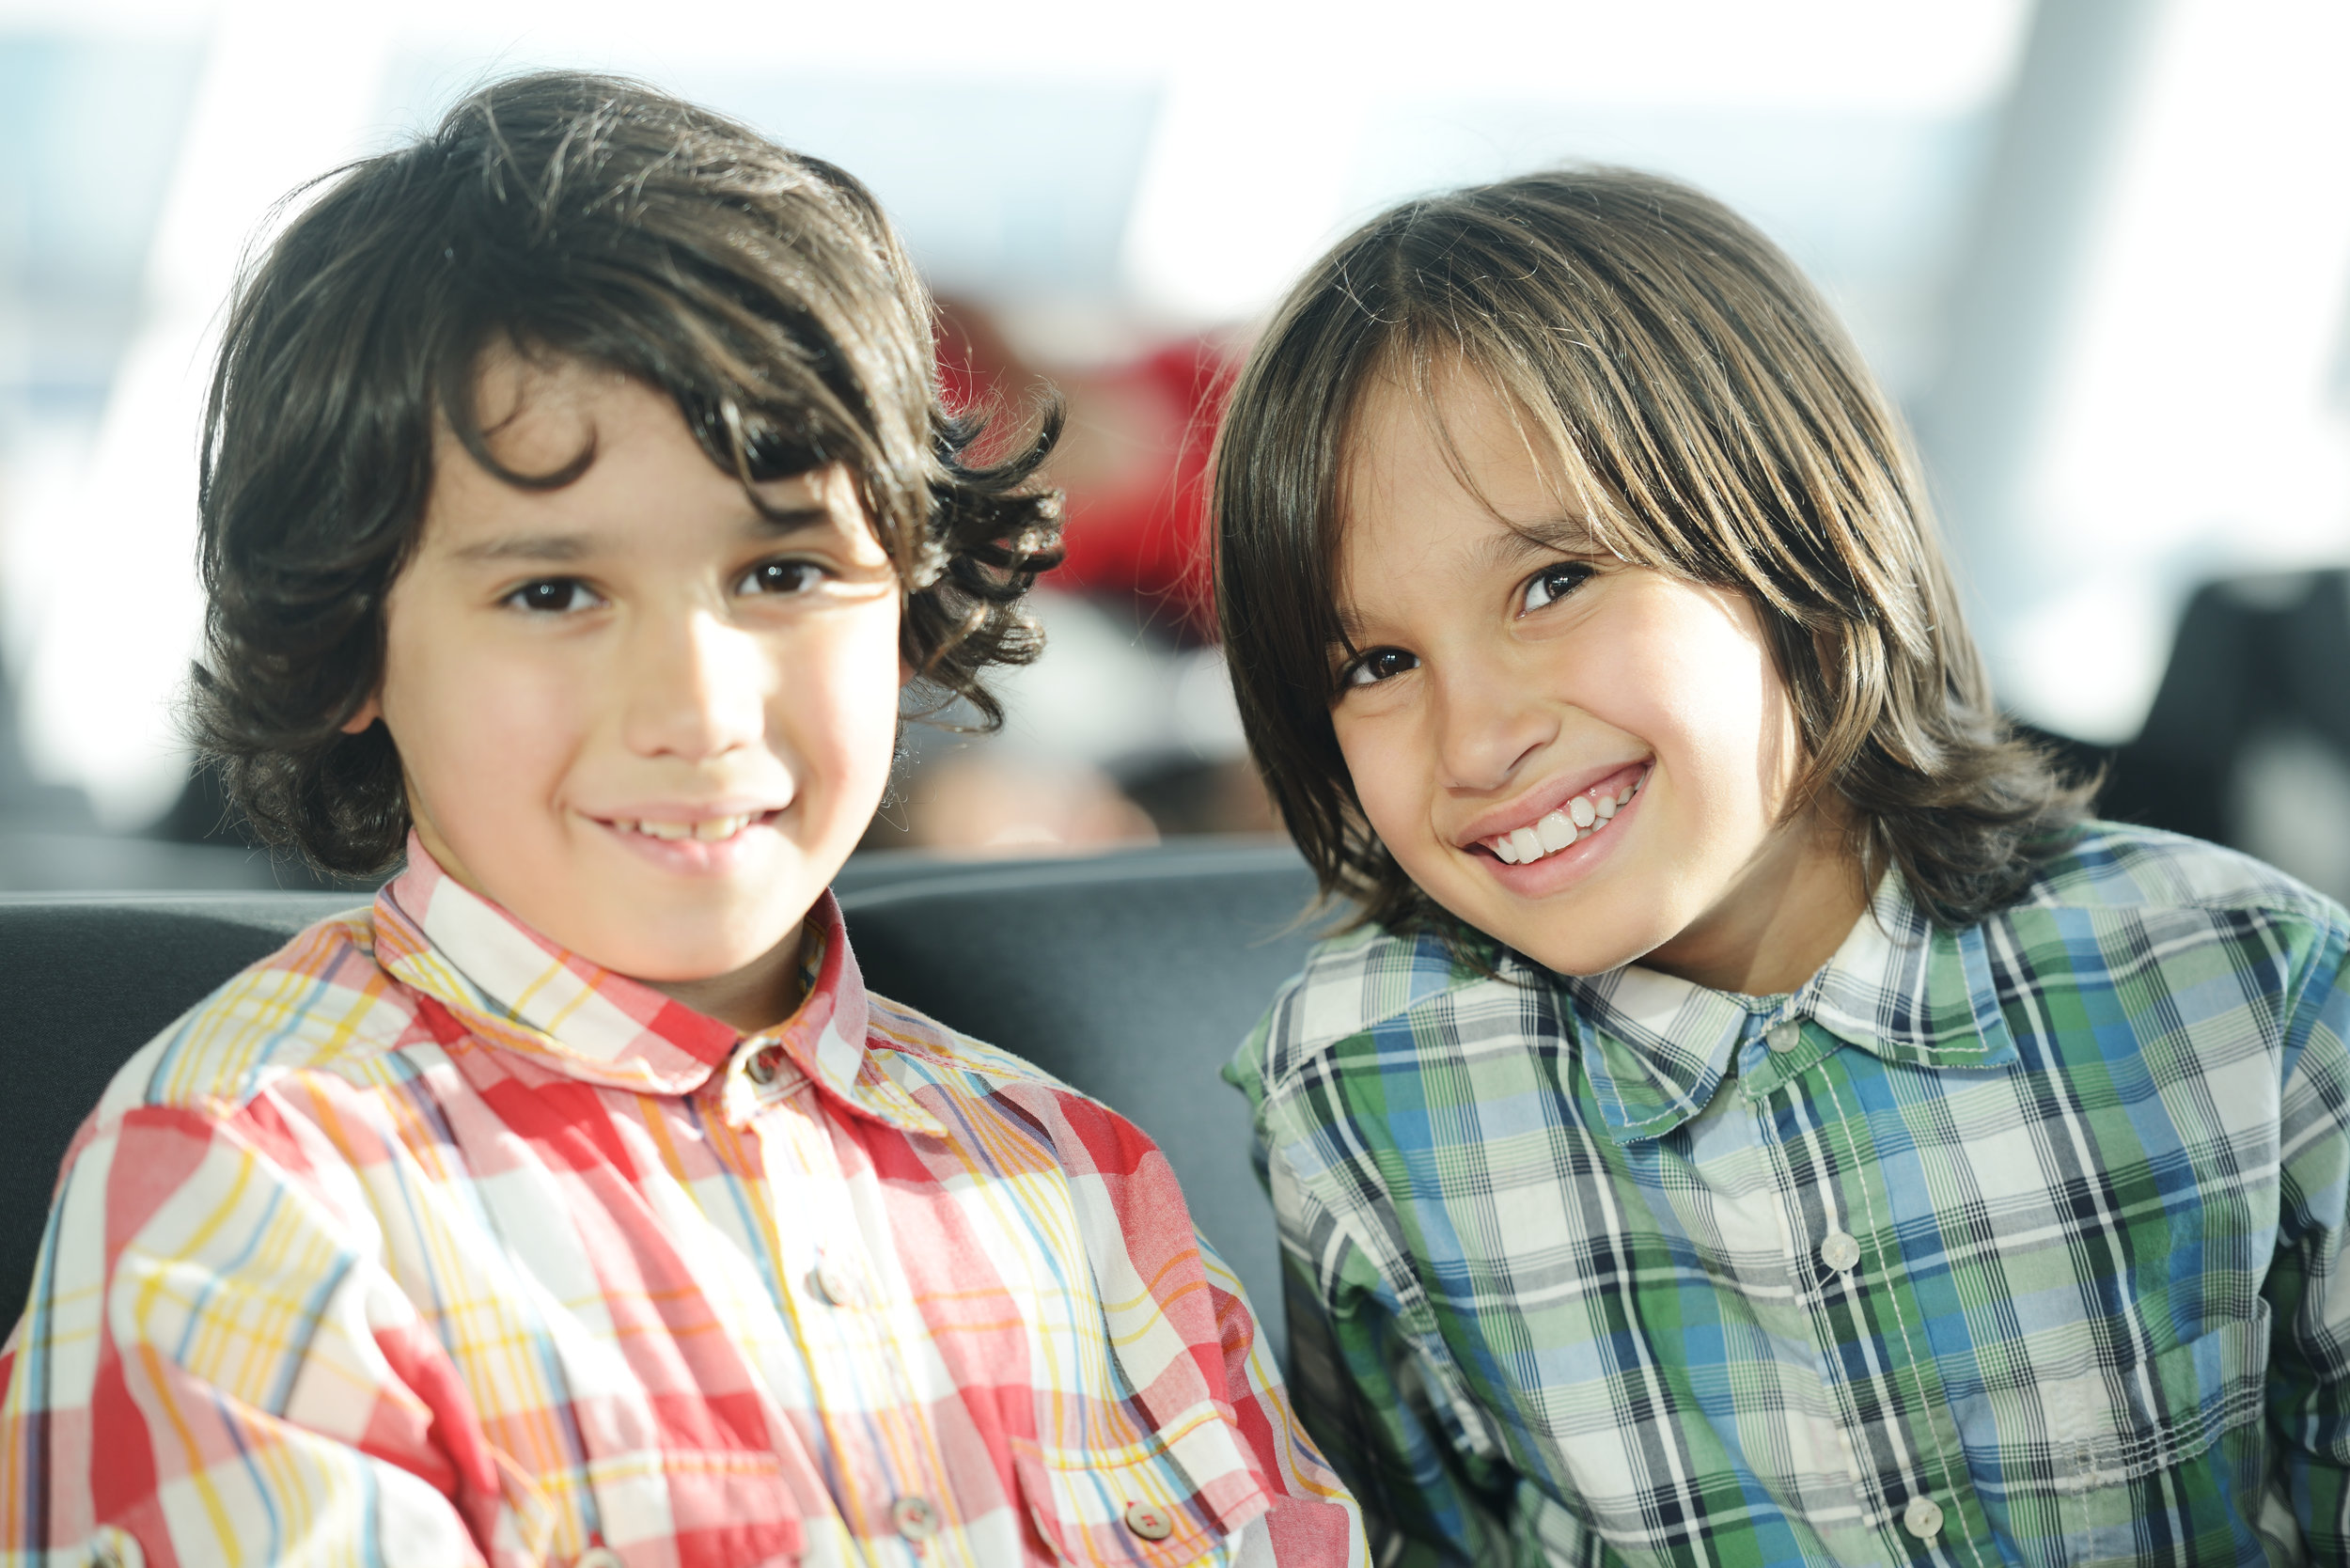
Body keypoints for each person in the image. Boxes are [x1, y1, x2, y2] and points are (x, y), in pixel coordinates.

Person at [0, 72, 1364, 1568]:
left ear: (908, 609)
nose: (698, 706)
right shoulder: (247, 1198)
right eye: (554, 593)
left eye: (782, 574)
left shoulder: (1074, 1176)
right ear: (347, 648)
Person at [1214, 167, 2350, 1566]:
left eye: (1554, 581)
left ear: (1801, 535)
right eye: (1378, 663)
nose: (1481, 738)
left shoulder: (2243, 987)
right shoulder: (1363, 1091)